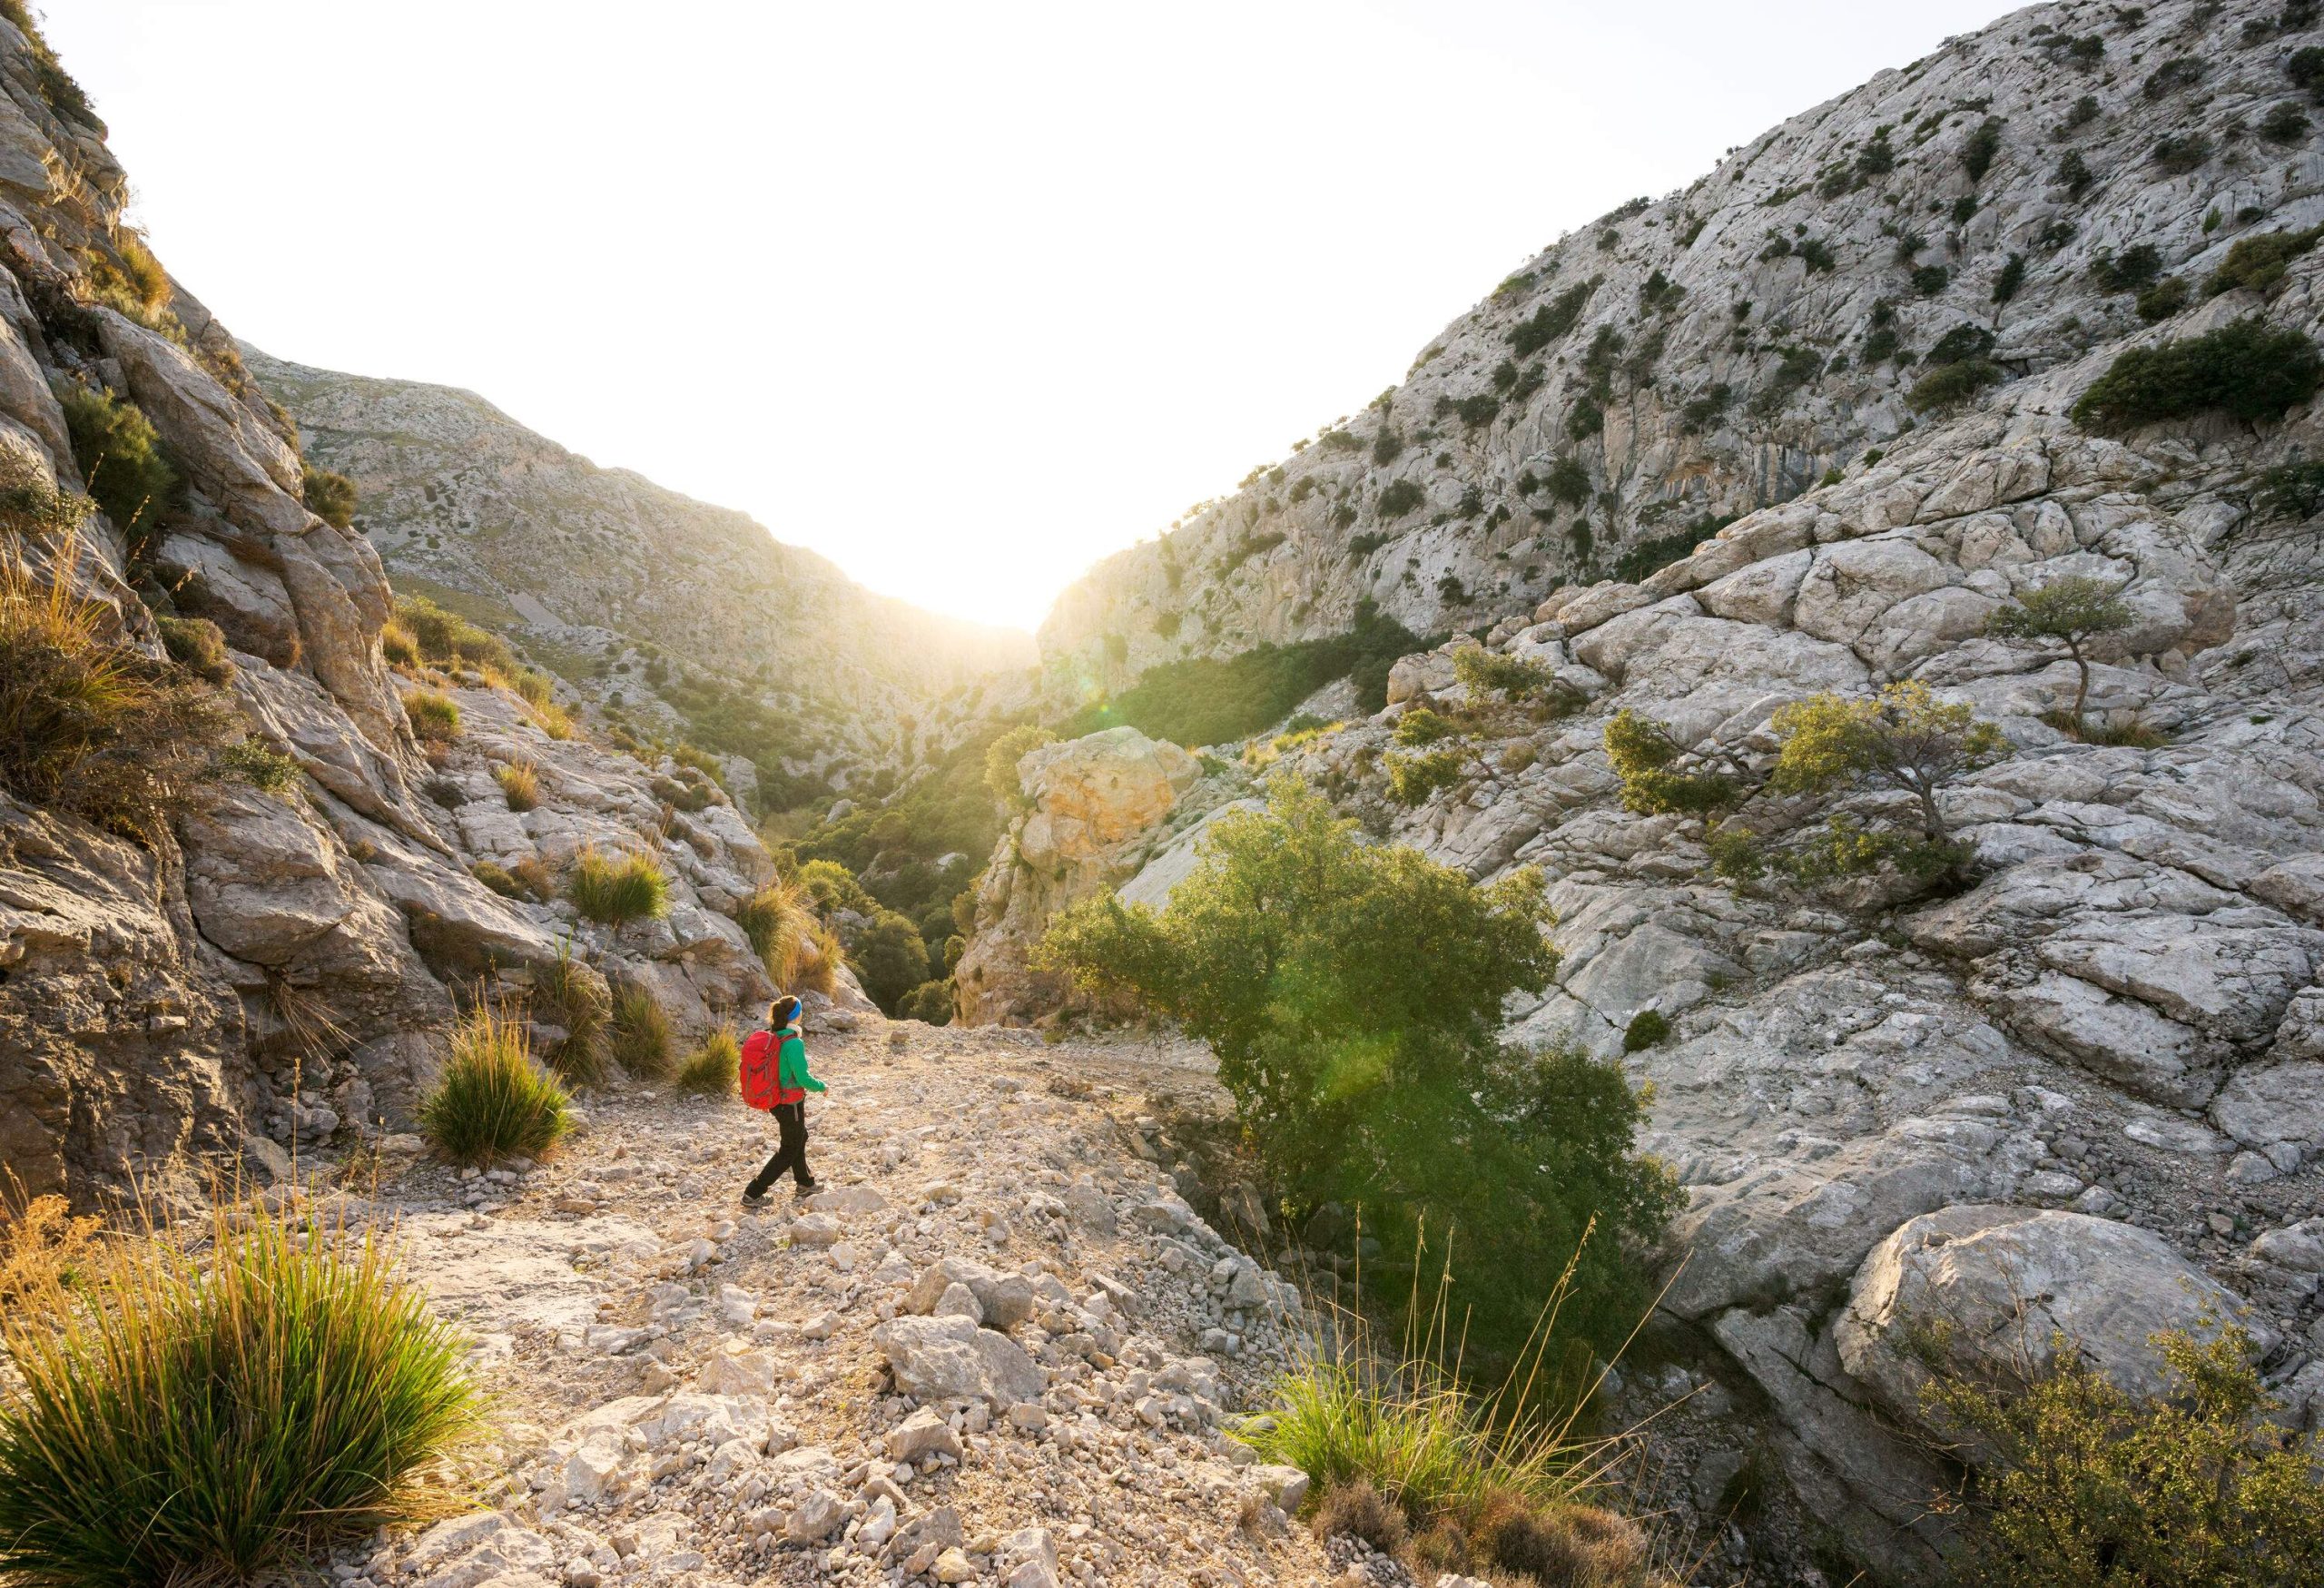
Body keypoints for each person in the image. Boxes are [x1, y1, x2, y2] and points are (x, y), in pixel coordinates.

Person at [739, 995, 824, 1205]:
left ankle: (805, 1182)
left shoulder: (773, 1036)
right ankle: (753, 1192)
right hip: (791, 1102)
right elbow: (803, 1078)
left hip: (776, 1101)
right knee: (789, 1148)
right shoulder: (793, 1043)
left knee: (799, 1137)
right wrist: (822, 1086)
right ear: (796, 1016)